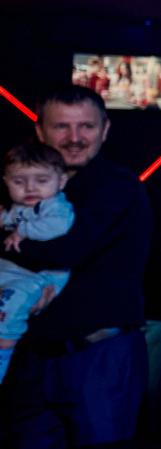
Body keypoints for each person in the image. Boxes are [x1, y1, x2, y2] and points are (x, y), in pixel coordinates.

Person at [0, 87, 154, 449]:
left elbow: (68, 250)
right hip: (33, 360)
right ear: (40, 131)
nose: (74, 138)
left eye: (86, 126)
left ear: (105, 129)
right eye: (61, 127)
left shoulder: (117, 186)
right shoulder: (24, 181)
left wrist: (10, 240)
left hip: (98, 359)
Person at [0, 143, 73, 387]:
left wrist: (23, 231)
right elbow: (9, 222)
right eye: (18, 182)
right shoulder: (19, 207)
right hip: (12, 269)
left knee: (10, 305)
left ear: (61, 181)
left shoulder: (56, 205)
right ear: (6, 181)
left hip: (40, 276)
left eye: (41, 180)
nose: (30, 188)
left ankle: (2, 353)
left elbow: (57, 226)